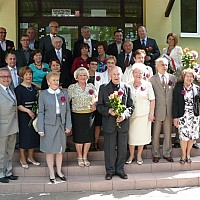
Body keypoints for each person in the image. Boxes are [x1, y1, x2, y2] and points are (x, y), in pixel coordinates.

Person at [97, 66, 134, 180]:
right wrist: (108, 111)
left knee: (122, 148)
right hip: (109, 124)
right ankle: (110, 171)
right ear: (110, 75)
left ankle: (120, 170)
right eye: (114, 74)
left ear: (121, 75)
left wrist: (124, 115)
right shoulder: (103, 88)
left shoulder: (127, 88)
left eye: (118, 74)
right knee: (109, 148)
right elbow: (99, 106)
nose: (116, 76)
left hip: (122, 123)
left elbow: (131, 106)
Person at [38, 71, 72, 183]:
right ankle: (51, 173)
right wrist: (41, 128)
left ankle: (59, 171)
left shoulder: (63, 93)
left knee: (60, 149)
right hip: (48, 125)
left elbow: (67, 111)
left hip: (61, 124)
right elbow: (41, 112)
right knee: (50, 150)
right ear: (48, 82)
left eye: (57, 80)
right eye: (53, 80)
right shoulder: (43, 94)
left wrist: (68, 125)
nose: (56, 82)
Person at [68, 67, 97, 167]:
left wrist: (94, 104)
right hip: (77, 115)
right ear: (76, 77)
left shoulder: (91, 86)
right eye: (80, 75)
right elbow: (67, 101)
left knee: (88, 137)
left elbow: (97, 98)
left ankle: (85, 156)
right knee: (79, 138)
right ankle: (79, 157)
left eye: (85, 75)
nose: (83, 77)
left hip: (89, 114)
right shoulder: (72, 87)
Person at [126, 65, 155, 165]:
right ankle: (131, 155)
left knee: (141, 136)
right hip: (131, 115)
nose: (138, 74)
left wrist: (151, 113)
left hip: (144, 115)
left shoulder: (148, 85)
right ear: (133, 74)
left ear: (143, 74)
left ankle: (139, 155)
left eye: (140, 73)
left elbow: (152, 100)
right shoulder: (128, 85)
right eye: (136, 72)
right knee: (131, 137)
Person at [150, 58, 177, 163]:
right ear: (157, 66)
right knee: (156, 133)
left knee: (168, 133)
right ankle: (155, 153)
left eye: (166, 65)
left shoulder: (173, 78)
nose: (164, 67)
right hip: (157, 110)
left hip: (169, 110)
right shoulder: (152, 79)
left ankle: (167, 153)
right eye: (162, 65)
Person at [172, 68, 200, 164]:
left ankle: (188, 154)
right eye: (187, 76)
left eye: (191, 76)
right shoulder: (178, 88)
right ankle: (183, 154)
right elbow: (175, 103)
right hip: (183, 116)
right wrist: (175, 117)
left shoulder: (196, 88)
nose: (189, 78)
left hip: (194, 116)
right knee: (183, 136)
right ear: (184, 77)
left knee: (192, 136)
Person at [15, 66, 40, 169]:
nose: (28, 76)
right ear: (22, 76)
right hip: (24, 116)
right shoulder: (18, 89)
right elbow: (18, 104)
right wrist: (28, 111)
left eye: (30, 74)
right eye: (26, 74)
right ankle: (22, 158)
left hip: (34, 116)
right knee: (24, 136)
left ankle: (30, 156)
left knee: (33, 136)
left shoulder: (34, 88)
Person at [0, 68, 18, 183]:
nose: (6, 79)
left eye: (8, 76)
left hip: (13, 125)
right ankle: (1, 173)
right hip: (2, 126)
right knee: (1, 151)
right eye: (3, 77)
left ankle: (8, 171)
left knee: (10, 151)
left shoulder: (11, 89)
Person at [88, 58, 102, 151]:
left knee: (97, 124)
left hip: (97, 102)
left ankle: (96, 143)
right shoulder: (84, 75)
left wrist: (96, 102)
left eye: (95, 64)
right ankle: (88, 142)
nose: (94, 66)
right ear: (88, 65)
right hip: (87, 104)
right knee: (89, 124)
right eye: (92, 64)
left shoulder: (100, 76)